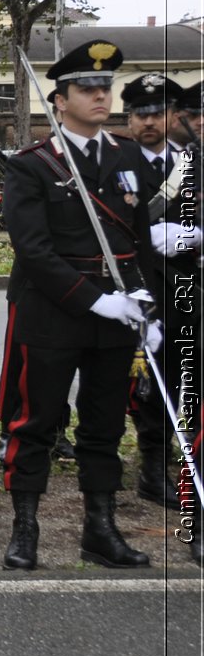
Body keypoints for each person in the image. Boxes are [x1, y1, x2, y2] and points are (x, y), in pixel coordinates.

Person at [0, 43, 164, 570]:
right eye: (87, 89)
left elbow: (139, 241)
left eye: (104, 87)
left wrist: (144, 304)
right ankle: (26, 528)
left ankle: (101, 527)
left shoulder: (127, 156)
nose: (99, 96)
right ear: (60, 100)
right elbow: (34, 252)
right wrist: (96, 301)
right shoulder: (33, 165)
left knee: (104, 424)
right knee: (38, 421)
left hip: (117, 319)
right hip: (55, 313)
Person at [122, 73, 194, 511]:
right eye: (140, 114)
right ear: (129, 119)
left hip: (184, 289)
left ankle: (157, 466)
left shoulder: (193, 161)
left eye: (158, 112)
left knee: (172, 378)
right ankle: (135, 468)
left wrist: (196, 232)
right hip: (135, 285)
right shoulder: (113, 162)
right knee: (135, 381)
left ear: (173, 115)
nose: (149, 121)